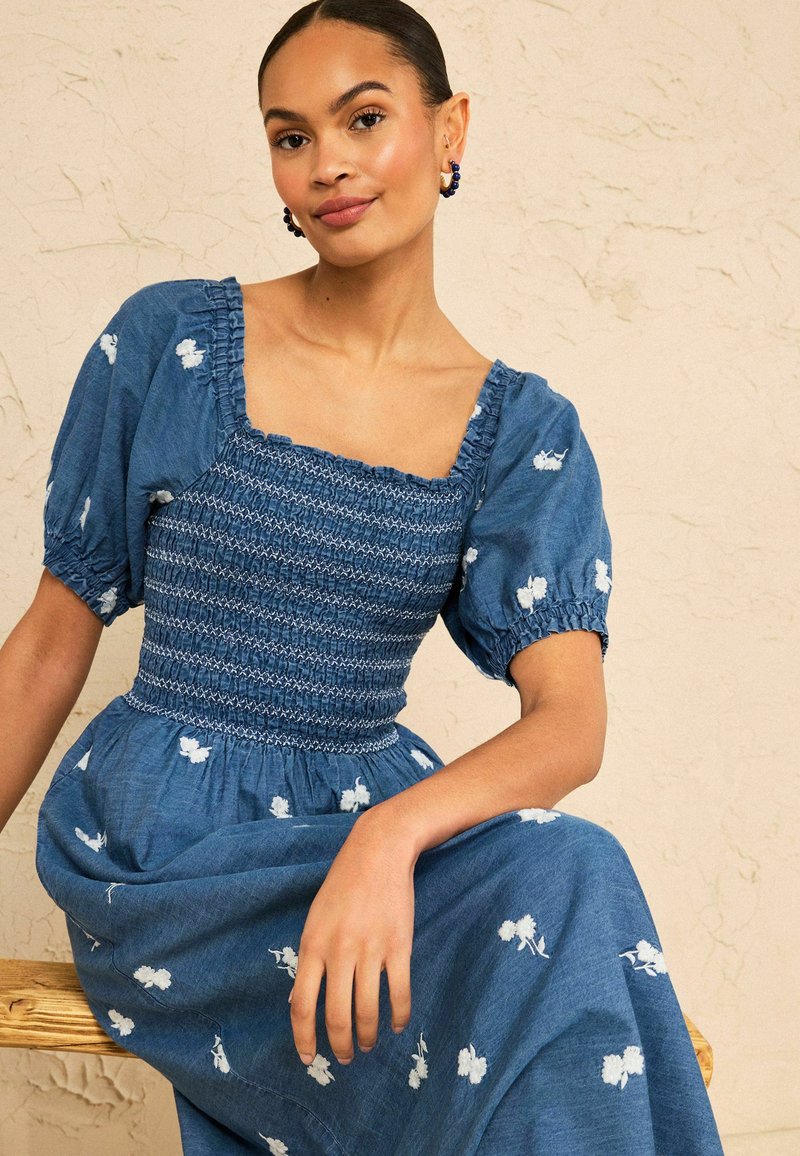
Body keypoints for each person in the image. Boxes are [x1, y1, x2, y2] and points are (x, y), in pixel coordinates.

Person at [1, 1, 725, 1152]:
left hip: (367, 842)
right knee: (557, 951)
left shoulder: (520, 431)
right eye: (290, 136)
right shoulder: (169, 342)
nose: (326, 162)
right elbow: (51, 639)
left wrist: (385, 839)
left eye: (365, 118)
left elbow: (570, 722)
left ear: (450, 130)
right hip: (169, 854)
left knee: (571, 881)